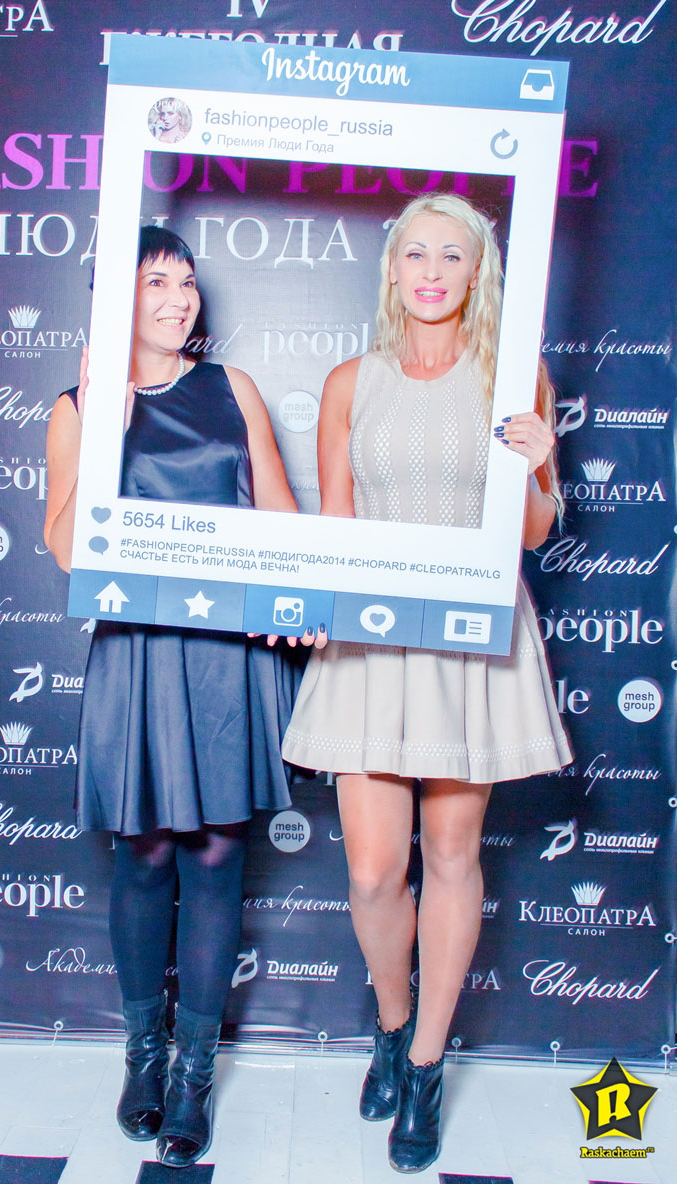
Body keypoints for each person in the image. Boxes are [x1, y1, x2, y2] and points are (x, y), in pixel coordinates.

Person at [282, 193, 571, 1174]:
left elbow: (533, 531)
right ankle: (391, 1018)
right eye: (417, 253)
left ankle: (425, 1063)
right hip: (369, 638)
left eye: (454, 253)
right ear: (393, 268)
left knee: (451, 852)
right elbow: (335, 518)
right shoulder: (349, 380)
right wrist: (314, 598)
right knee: (373, 870)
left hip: (468, 640)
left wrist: (540, 468)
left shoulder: (512, 377)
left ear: (477, 271)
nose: (434, 271)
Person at [44, 226, 298, 1169]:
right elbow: (66, 549)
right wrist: (108, 427)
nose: (180, 298)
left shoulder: (233, 389)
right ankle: (143, 1058)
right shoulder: (77, 406)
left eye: (186, 282)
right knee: (145, 851)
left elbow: (280, 516)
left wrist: (300, 600)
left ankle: (195, 1074)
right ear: (119, 298)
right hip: (141, 652)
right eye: (157, 281)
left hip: (228, 651)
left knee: (219, 853)